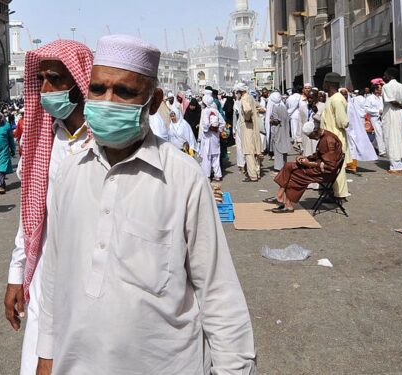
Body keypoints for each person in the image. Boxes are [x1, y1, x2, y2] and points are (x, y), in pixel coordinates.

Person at [35, 34, 255, 375]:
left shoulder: (182, 178)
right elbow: (54, 272)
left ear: (153, 103)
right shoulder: (69, 173)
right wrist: (46, 353)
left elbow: (216, 290)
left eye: (123, 92)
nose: (107, 101)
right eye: (98, 89)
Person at [4, 39, 93, 375]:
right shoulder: (45, 140)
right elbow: (31, 214)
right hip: (46, 273)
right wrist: (16, 274)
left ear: (79, 81)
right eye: (40, 79)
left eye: (55, 79)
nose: (45, 88)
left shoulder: (104, 143)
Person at [268, 121, 344, 213]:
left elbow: (330, 166)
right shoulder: (324, 136)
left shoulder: (328, 141)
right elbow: (320, 155)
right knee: (288, 166)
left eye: (310, 136)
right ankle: (279, 195)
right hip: (320, 168)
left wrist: (308, 163)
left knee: (296, 174)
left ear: (315, 132)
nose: (310, 138)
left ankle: (288, 206)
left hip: (325, 173)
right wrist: (306, 158)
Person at [320, 73, 350, 199]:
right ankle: (333, 191)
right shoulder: (331, 99)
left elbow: (343, 122)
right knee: (331, 167)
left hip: (335, 138)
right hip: (328, 138)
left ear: (328, 83)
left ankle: (340, 195)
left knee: (338, 168)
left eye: (324, 83)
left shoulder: (337, 99)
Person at [382, 67, 402, 174]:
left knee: (392, 138)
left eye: (385, 75)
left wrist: (401, 107)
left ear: (390, 76)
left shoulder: (386, 87)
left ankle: (396, 166)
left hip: (392, 114)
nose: (383, 77)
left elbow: (392, 101)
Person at [346, 89, 378, 172]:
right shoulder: (352, 102)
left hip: (351, 128)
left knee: (352, 145)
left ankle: (351, 164)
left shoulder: (351, 103)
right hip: (356, 123)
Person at [240, 86, 263, 181]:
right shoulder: (250, 97)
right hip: (253, 126)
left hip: (247, 127)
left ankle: (252, 175)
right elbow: (258, 106)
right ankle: (257, 172)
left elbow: (247, 109)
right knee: (255, 150)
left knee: (249, 151)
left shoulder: (244, 98)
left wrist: (247, 118)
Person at [199, 92, 222, 180]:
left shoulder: (205, 111)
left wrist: (208, 128)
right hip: (215, 138)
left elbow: (205, 126)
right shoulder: (215, 111)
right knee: (216, 157)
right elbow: (222, 123)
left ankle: (207, 175)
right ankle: (218, 175)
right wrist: (217, 130)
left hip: (207, 138)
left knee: (207, 158)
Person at [266, 92, 291, 172]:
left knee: (278, 150)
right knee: (283, 148)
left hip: (278, 132)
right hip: (284, 130)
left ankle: (278, 168)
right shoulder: (283, 107)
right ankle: (284, 166)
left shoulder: (275, 107)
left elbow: (276, 121)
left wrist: (270, 121)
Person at [364, 83, 387, 156]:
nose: (381, 90)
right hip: (375, 117)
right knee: (379, 133)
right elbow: (366, 108)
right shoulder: (369, 98)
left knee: (382, 133)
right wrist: (377, 111)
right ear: (376, 90)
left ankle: (372, 146)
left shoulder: (381, 98)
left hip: (383, 117)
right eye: (380, 89)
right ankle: (382, 151)